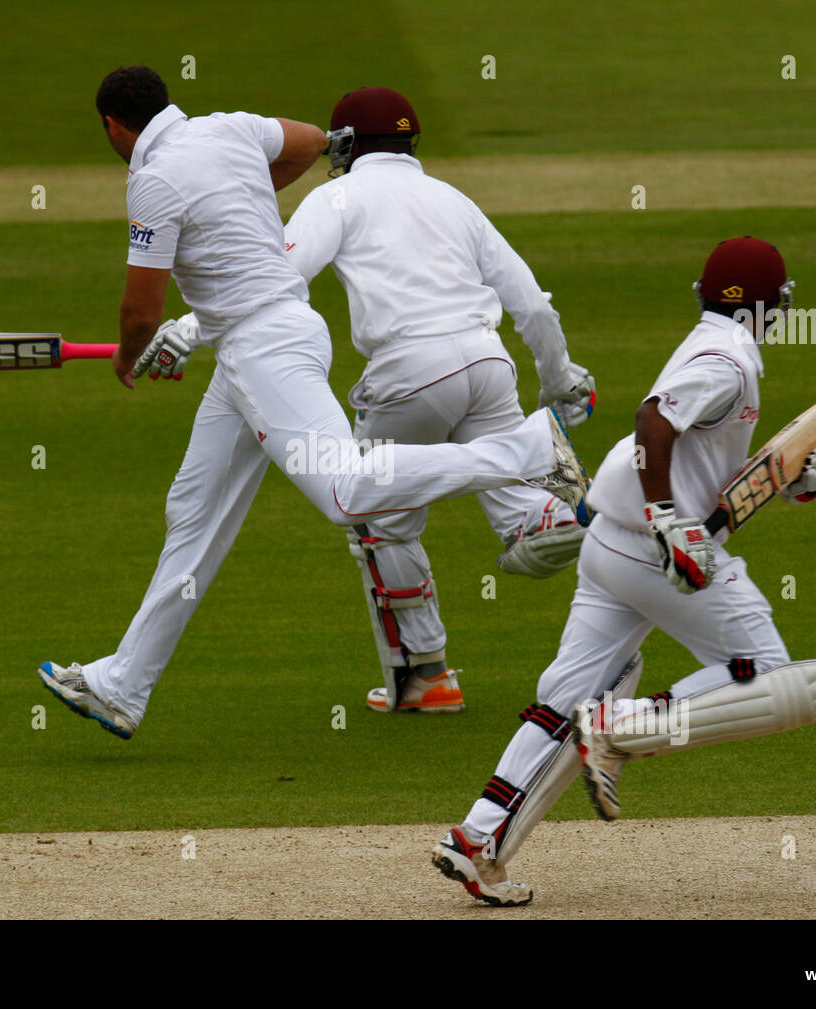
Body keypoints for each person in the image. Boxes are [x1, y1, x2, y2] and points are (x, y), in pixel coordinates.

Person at [37, 66, 587, 740]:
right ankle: (122, 684)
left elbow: (141, 311)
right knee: (194, 511)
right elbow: (308, 140)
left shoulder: (152, 179)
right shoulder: (230, 130)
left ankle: (526, 451)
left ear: (112, 126)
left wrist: (132, 353)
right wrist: (236, 196)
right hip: (262, 344)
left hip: (263, 347)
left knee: (347, 493)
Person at [430, 237, 816, 907]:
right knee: (767, 673)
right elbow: (653, 421)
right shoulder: (727, 360)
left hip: (611, 545)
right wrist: (668, 519)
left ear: (704, 295)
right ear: (771, 306)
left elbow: (704, 462)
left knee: (565, 697)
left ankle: (478, 838)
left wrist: (793, 477)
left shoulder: (712, 344)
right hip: (656, 550)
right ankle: (619, 727)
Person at [280, 86, 596, 714]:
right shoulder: (453, 199)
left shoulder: (335, 198)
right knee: (511, 487)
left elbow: (278, 277)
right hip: (487, 362)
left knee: (378, 517)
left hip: (409, 373)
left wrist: (194, 328)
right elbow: (533, 305)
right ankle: (554, 516)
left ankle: (426, 678)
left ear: (345, 144)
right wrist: (559, 382)